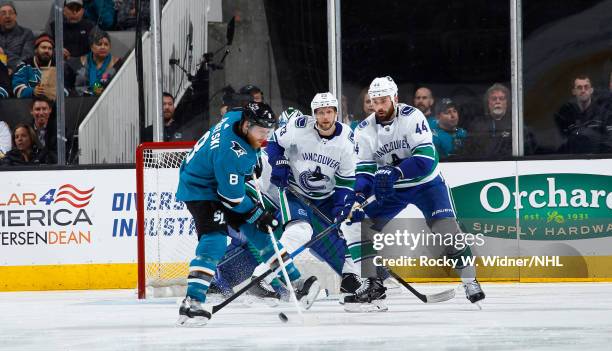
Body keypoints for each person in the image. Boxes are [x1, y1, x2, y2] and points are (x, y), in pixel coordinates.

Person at [340, 76, 485, 312]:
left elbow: (426, 160)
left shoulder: (412, 117)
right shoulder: (365, 129)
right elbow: (365, 170)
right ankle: (373, 283)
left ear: (395, 98)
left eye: (384, 100)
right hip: (392, 188)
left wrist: (396, 171)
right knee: (356, 225)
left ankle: (470, 280)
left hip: (427, 184)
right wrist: (358, 195)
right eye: (375, 101)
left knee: (446, 230)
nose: (379, 106)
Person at [175, 102, 319, 326]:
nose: (264, 137)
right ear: (246, 126)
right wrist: (257, 215)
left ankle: (297, 283)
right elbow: (231, 199)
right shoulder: (230, 154)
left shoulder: (237, 117)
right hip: (200, 189)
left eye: (267, 132)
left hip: (218, 179)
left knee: (262, 235)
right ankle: (191, 302)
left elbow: (243, 157)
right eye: (260, 132)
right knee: (215, 240)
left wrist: (254, 162)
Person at [264, 92, 362, 300]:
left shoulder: (346, 140)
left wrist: (342, 205)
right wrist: (278, 162)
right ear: (313, 114)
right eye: (320, 113)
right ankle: (266, 274)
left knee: (347, 229)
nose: (325, 117)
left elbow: (345, 181)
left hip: (327, 194)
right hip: (295, 191)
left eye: (329, 112)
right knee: (300, 230)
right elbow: (274, 142)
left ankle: (352, 277)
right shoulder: (299, 127)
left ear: (336, 112)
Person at [554, 75, 609, 154]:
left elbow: (608, 143)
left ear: (591, 90)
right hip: (572, 161)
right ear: (574, 91)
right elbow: (561, 142)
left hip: (597, 161)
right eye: (579, 87)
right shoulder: (566, 116)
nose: (583, 90)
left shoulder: (603, 114)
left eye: (586, 87)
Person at [65, 29, 122, 96]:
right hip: (79, 102)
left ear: (109, 47)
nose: (103, 47)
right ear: (92, 47)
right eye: (99, 44)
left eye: (106, 44)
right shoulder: (77, 63)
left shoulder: (118, 64)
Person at [12, 34, 56, 98]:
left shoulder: (58, 66)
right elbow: (17, 88)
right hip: (27, 105)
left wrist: (52, 92)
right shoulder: (24, 65)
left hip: (53, 105)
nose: (47, 51)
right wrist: (32, 91)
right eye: (43, 47)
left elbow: (66, 90)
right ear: (35, 50)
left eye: (50, 48)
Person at [0, 1, 34, 72]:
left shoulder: (26, 34)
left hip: (18, 74)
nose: (7, 16)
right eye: (3, 13)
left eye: (10, 13)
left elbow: (27, 59)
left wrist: (3, 54)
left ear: (15, 16)